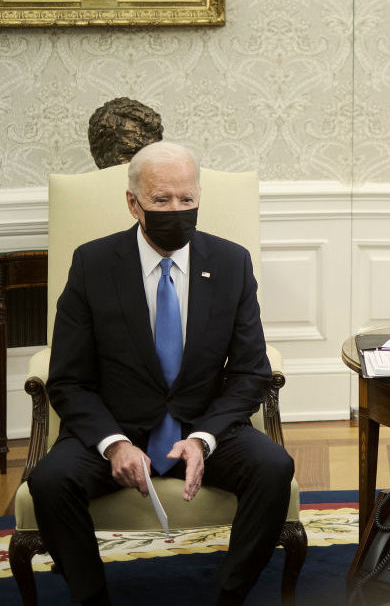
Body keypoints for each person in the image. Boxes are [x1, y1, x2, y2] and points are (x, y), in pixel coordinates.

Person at [28, 141, 294, 606]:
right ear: (133, 203)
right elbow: (68, 379)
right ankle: (91, 598)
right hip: (117, 422)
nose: (177, 210)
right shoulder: (92, 264)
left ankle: (230, 594)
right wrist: (113, 443)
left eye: (186, 200)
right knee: (50, 481)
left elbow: (252, 371)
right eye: (161, 200)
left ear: (198, 197)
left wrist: (204, 439)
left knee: (274, 468)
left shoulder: (231, 263)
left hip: (203, 422)